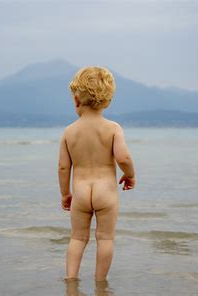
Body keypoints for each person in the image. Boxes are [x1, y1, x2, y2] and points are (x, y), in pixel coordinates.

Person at [58, 66, 136, 281]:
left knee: (77, 238)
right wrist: (130, 174)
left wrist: (65, 194)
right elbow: (123, 158)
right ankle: (100, 282)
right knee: (105, 239)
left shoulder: (69, 132)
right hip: (106, 193)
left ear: (76, 100)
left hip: (81, 193)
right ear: (108, 101)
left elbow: (64, 167)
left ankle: (71, 280)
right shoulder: (112, 128)